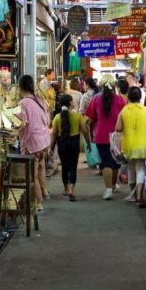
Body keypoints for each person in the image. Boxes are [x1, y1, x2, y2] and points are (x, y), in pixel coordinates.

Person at [86, 74, 126, 200]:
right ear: (114, 86)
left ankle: (108, 190)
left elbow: (91, 120)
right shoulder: (120, 100)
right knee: (115, 162)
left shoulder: (96, 99)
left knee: (106, 162)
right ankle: (113, 185)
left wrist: (91, 133)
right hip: (117, 136)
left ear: (102, 86)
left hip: (101, 136)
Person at [115, 86, 146, 208]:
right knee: (141, 169)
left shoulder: (124, 110)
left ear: (128, 97)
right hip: (143, 145)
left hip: (129, 145)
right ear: (140, 97)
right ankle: (139, 197)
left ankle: (133, 196)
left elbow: (117, 128)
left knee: (131, 169)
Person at [17, 75, 52, 214]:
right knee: (41, 168)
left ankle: (38, 203)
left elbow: (22, 123)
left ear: (20, 87)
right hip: (43, 141)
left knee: (32, 175)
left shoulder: (23, 103)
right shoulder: (39, 100)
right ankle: (44, 192)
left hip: (32, 143)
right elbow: (47, 120)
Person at [50, 94, 91, 201]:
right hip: (74, 143)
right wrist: (88, 143)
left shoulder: (57, 117)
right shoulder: (78, 116)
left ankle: (66, 188)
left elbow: (54, 134)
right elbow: (85, 131)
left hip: (62, 143)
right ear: (70, 103)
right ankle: (71, 190)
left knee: (64, 166)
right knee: (73, 166)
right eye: (72, 101)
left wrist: (51, 148)